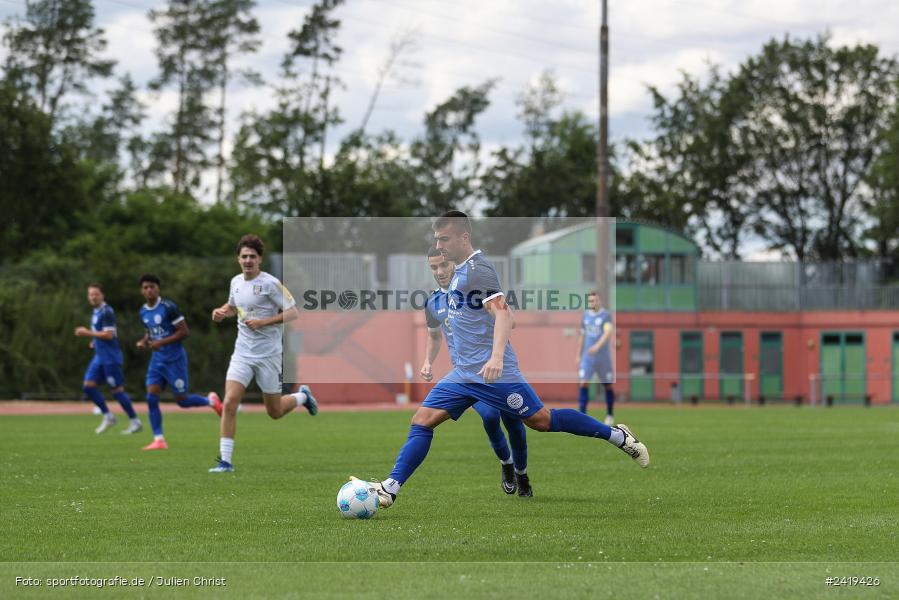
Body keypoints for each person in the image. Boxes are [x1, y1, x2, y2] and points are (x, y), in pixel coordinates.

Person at [352, 211, 649, 508]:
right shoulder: (458, 274)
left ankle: (617, 436)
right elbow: (499, 313)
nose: (439, 245)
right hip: (463, 375)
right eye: (436, 239)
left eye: (444, 239)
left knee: (541, 421)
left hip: (493, 373)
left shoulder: (478, 270)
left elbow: (503, 314)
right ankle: (390, 489)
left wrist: (496, 356)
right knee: (422, 420)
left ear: (463, 237)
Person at [421, 247, 532, 497]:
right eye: (433, 268)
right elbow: (433, 335)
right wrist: (428, 361)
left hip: (500, 371)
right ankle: (506, 464)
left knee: (514, 422)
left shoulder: (475, 287)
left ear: (453, 264)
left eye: (443, 265)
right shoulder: (432, 302)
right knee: (490, 416)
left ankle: (522, 474)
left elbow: (508, 318)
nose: (439, 272)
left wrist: (497, 353)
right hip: (470, 376)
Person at [208, 234, 318, 473]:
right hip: (242, 354)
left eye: (252, 257)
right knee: (229, 403)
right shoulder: (235, 282)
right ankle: (225, 462)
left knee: (274, 412)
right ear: (238, 259)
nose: (248, 260)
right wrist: (221, 311)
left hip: (268, 355)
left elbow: (293, 313)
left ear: (260, 260)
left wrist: (264, 322)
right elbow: (233, 306)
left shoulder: (271, 284)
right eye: (244, 256)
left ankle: (302, 397)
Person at [136, 274, 223, 451]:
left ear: (158, 288)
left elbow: (184, 332)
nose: (149, 290)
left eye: (152, 286)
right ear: (141, 290)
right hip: (157, 361)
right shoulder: (143, 311)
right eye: (145, 287)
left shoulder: (169, 307)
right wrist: (144, 341)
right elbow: (150, 332)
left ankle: (211, 402)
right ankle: (159, 439)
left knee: (182, 401)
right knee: (151, 396)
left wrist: (162, 342)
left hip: (174, 360)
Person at [75, 284, 142, 434]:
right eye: (90, 294)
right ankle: (108, 415)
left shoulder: (107, 312)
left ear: (102, 295)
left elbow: (109, 335)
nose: (93, 297)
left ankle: (135, 421)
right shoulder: (96, 312)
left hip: (111, 358)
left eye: (96, 294)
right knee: (88, 386)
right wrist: (94, 341)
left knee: (117, 391)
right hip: (100, 357)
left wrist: (88, 333)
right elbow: (103, 334)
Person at [575, 291, 616, 425]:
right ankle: (582, 415)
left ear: (600, 301)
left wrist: (597, 347)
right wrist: (578, 355)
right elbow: (582, 336)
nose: (593, 303)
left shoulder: (605, 316)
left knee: (607, 385)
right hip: (588, 358)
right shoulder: (585, 317)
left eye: (595, 300)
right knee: (583, 383)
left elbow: (608, 332)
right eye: (591, 301)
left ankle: (609, 414)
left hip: (603, 358)